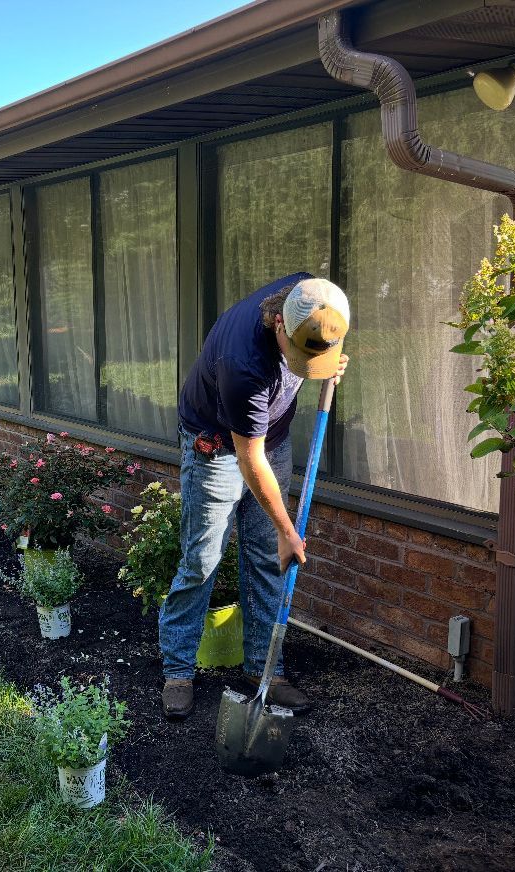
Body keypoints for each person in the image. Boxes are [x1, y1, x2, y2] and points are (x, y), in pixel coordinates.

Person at [159, 273, 350, 719]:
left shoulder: (316, 300)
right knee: (203, 558)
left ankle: (266, 670)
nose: (306, 362)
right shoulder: (245, 365)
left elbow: (324, 336)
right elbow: (251, 461)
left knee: (267, 557)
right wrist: (288, 529)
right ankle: (178, 669)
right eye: (303, 354)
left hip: (272, 439)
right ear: (279, 325)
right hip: (221, 447)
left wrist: (329, 361)